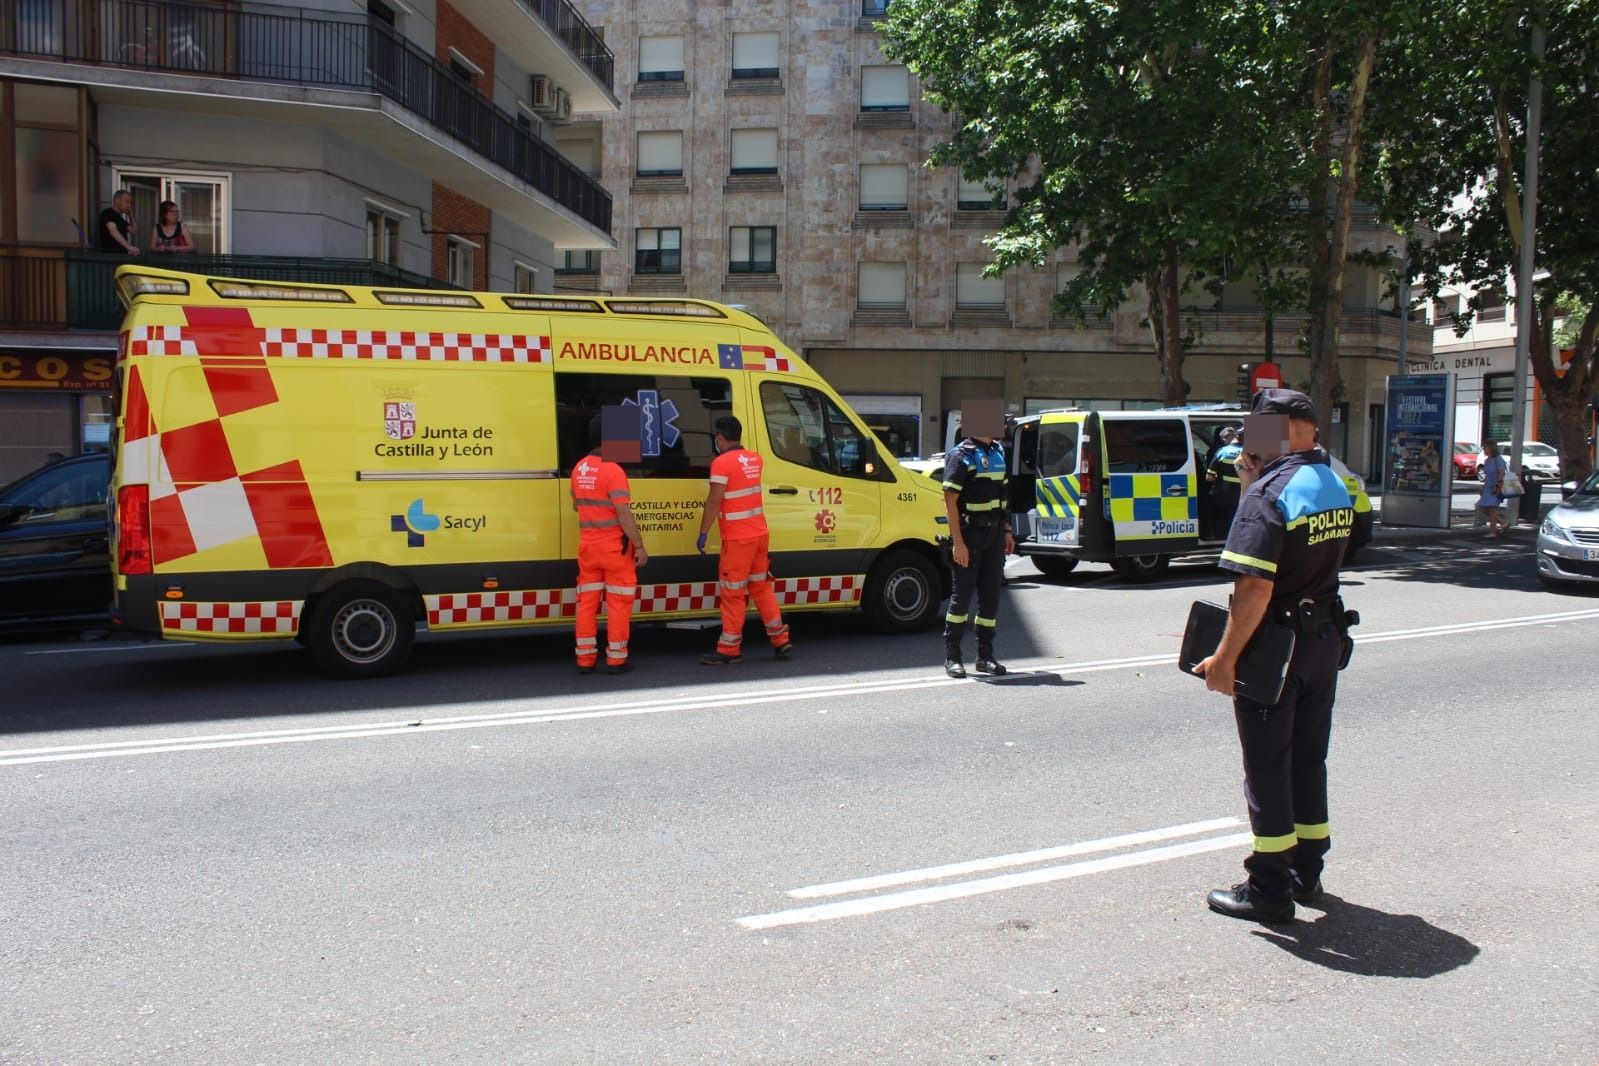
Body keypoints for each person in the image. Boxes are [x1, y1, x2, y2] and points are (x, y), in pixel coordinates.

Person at [1194, 389, 1356, 924]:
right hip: (1322, 641)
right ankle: (1306, 871)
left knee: (1267, 766)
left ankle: (1268, 889)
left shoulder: (1271, 492)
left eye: (1260, 431)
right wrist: (1251, 482)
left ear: (1288, 429)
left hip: (1277, 649)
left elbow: (1255, 588)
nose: (1250, 442)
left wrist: (1223, 660)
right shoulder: (1331, 481)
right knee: (1308, 759)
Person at [696, 415, 793, 665]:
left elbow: (714, 501)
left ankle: (729, 648)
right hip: (759, 535)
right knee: (761, 588)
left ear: (720, 437)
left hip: (738, 540)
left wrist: (703, 532)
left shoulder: (721, 463)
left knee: (733, 594)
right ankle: (780, 639)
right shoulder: (755, 459)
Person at [570, 415, 648, 674]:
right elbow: (623, 513)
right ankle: (616, 659)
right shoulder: (613, 470)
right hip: (614, 550)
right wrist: (638, 545)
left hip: (588, 549)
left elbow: (576, 506)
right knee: (618, 603)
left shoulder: (578, 468)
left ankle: (585, 659)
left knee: (587, 604)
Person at [941, 426, 1014, 678]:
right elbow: (949, 501)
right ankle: (952, 657)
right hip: (969, 535)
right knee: (961, 598)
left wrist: (1006, 529)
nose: (1003, 426)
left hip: (994, 535)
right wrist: (957, 542)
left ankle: (985, 657)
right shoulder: (961, 455)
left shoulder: (998, 452)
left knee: (991, 597)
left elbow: (1002, 495)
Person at [1204, 426, 1243, 537]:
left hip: (1223, 495)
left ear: (1225, 438)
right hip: (1241, 495)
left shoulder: (1222, 452)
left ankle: (1220, 537)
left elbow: (1209, 477)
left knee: (1221, 520)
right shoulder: (1246, 452)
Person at [1476, 441, 1508, 536]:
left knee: (1492, 510)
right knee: (1483, 508)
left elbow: (1502, 472)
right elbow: (1487, 476)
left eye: (1486, 447)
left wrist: (1497, 484)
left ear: (1491, 448)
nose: (1484, 450)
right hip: (1488, 487)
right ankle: (1503, 523)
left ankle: (1492, 531)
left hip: (1496, 486)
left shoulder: (1498, 459)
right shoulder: (1487, 460)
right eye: (1483, 448)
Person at [98, 190, 139, 255]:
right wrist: (129, 247)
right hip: (109, 257)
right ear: (116, 200)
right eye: (127, 202)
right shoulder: (108, 213)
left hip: (121, 256)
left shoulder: (120, 218)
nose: (129, 205)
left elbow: (134, 231)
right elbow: (113, 231)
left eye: (130, 203)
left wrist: (131, 215)